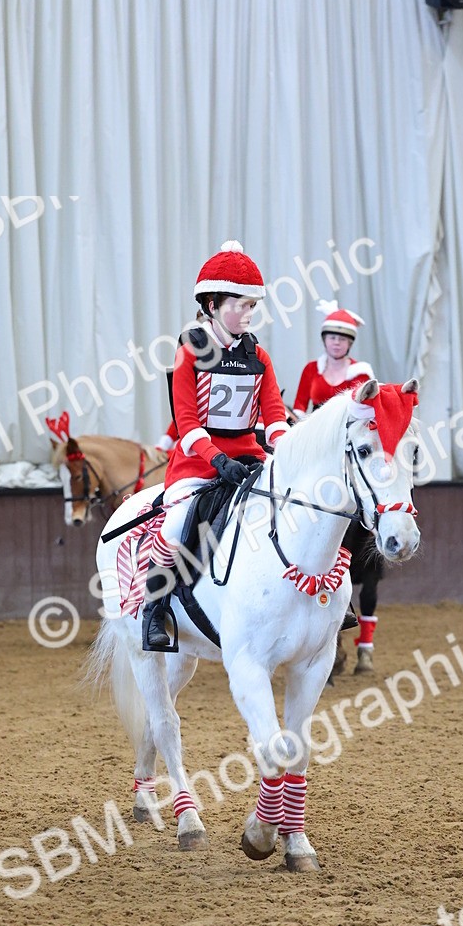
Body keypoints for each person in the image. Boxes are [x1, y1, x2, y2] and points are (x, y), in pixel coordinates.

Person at [142, 241, 290, 650]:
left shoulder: (257, 353)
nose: (246, 314)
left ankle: (314, 598)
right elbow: (186, 423)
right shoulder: (191, 349)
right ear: (211, 304)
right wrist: (218, 459)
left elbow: (274, 414)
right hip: (197, 462)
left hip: (250, 457)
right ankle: (154, 610)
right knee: (175, 526)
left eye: (251, 307)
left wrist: (287, 448)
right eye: (238, 305)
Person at [294, 302, 381, 673]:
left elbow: (365, 416)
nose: (335, 343)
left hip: (348, 458)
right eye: (331, 337)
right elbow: (299, 409)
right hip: (318, 456)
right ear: (325, 339)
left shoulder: (362, 373)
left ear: (349, 343)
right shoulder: (311, 370)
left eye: (342, 338)